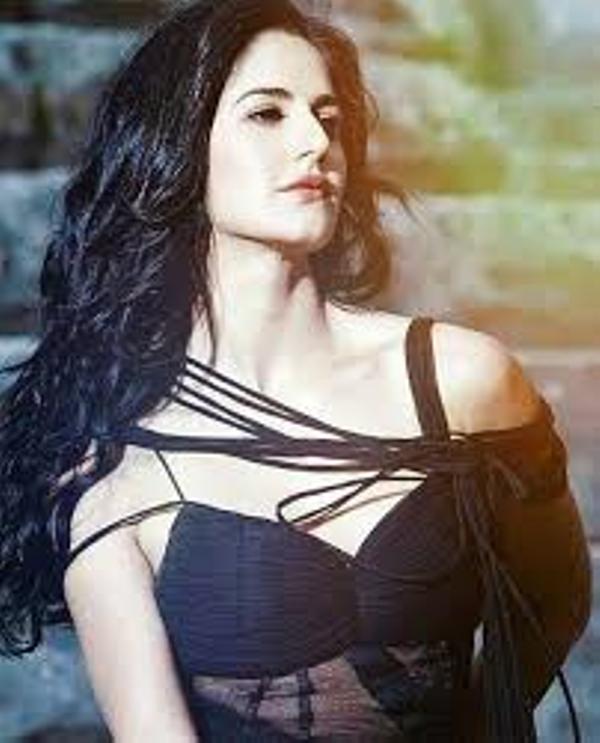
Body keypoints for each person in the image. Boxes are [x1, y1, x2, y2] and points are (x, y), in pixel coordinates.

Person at [0, 1, 591, 740]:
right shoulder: (117, 476)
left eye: (328, 118)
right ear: (177, 147)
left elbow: (556, 600)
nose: (315, 143)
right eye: (267, 114)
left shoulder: (461, 380)